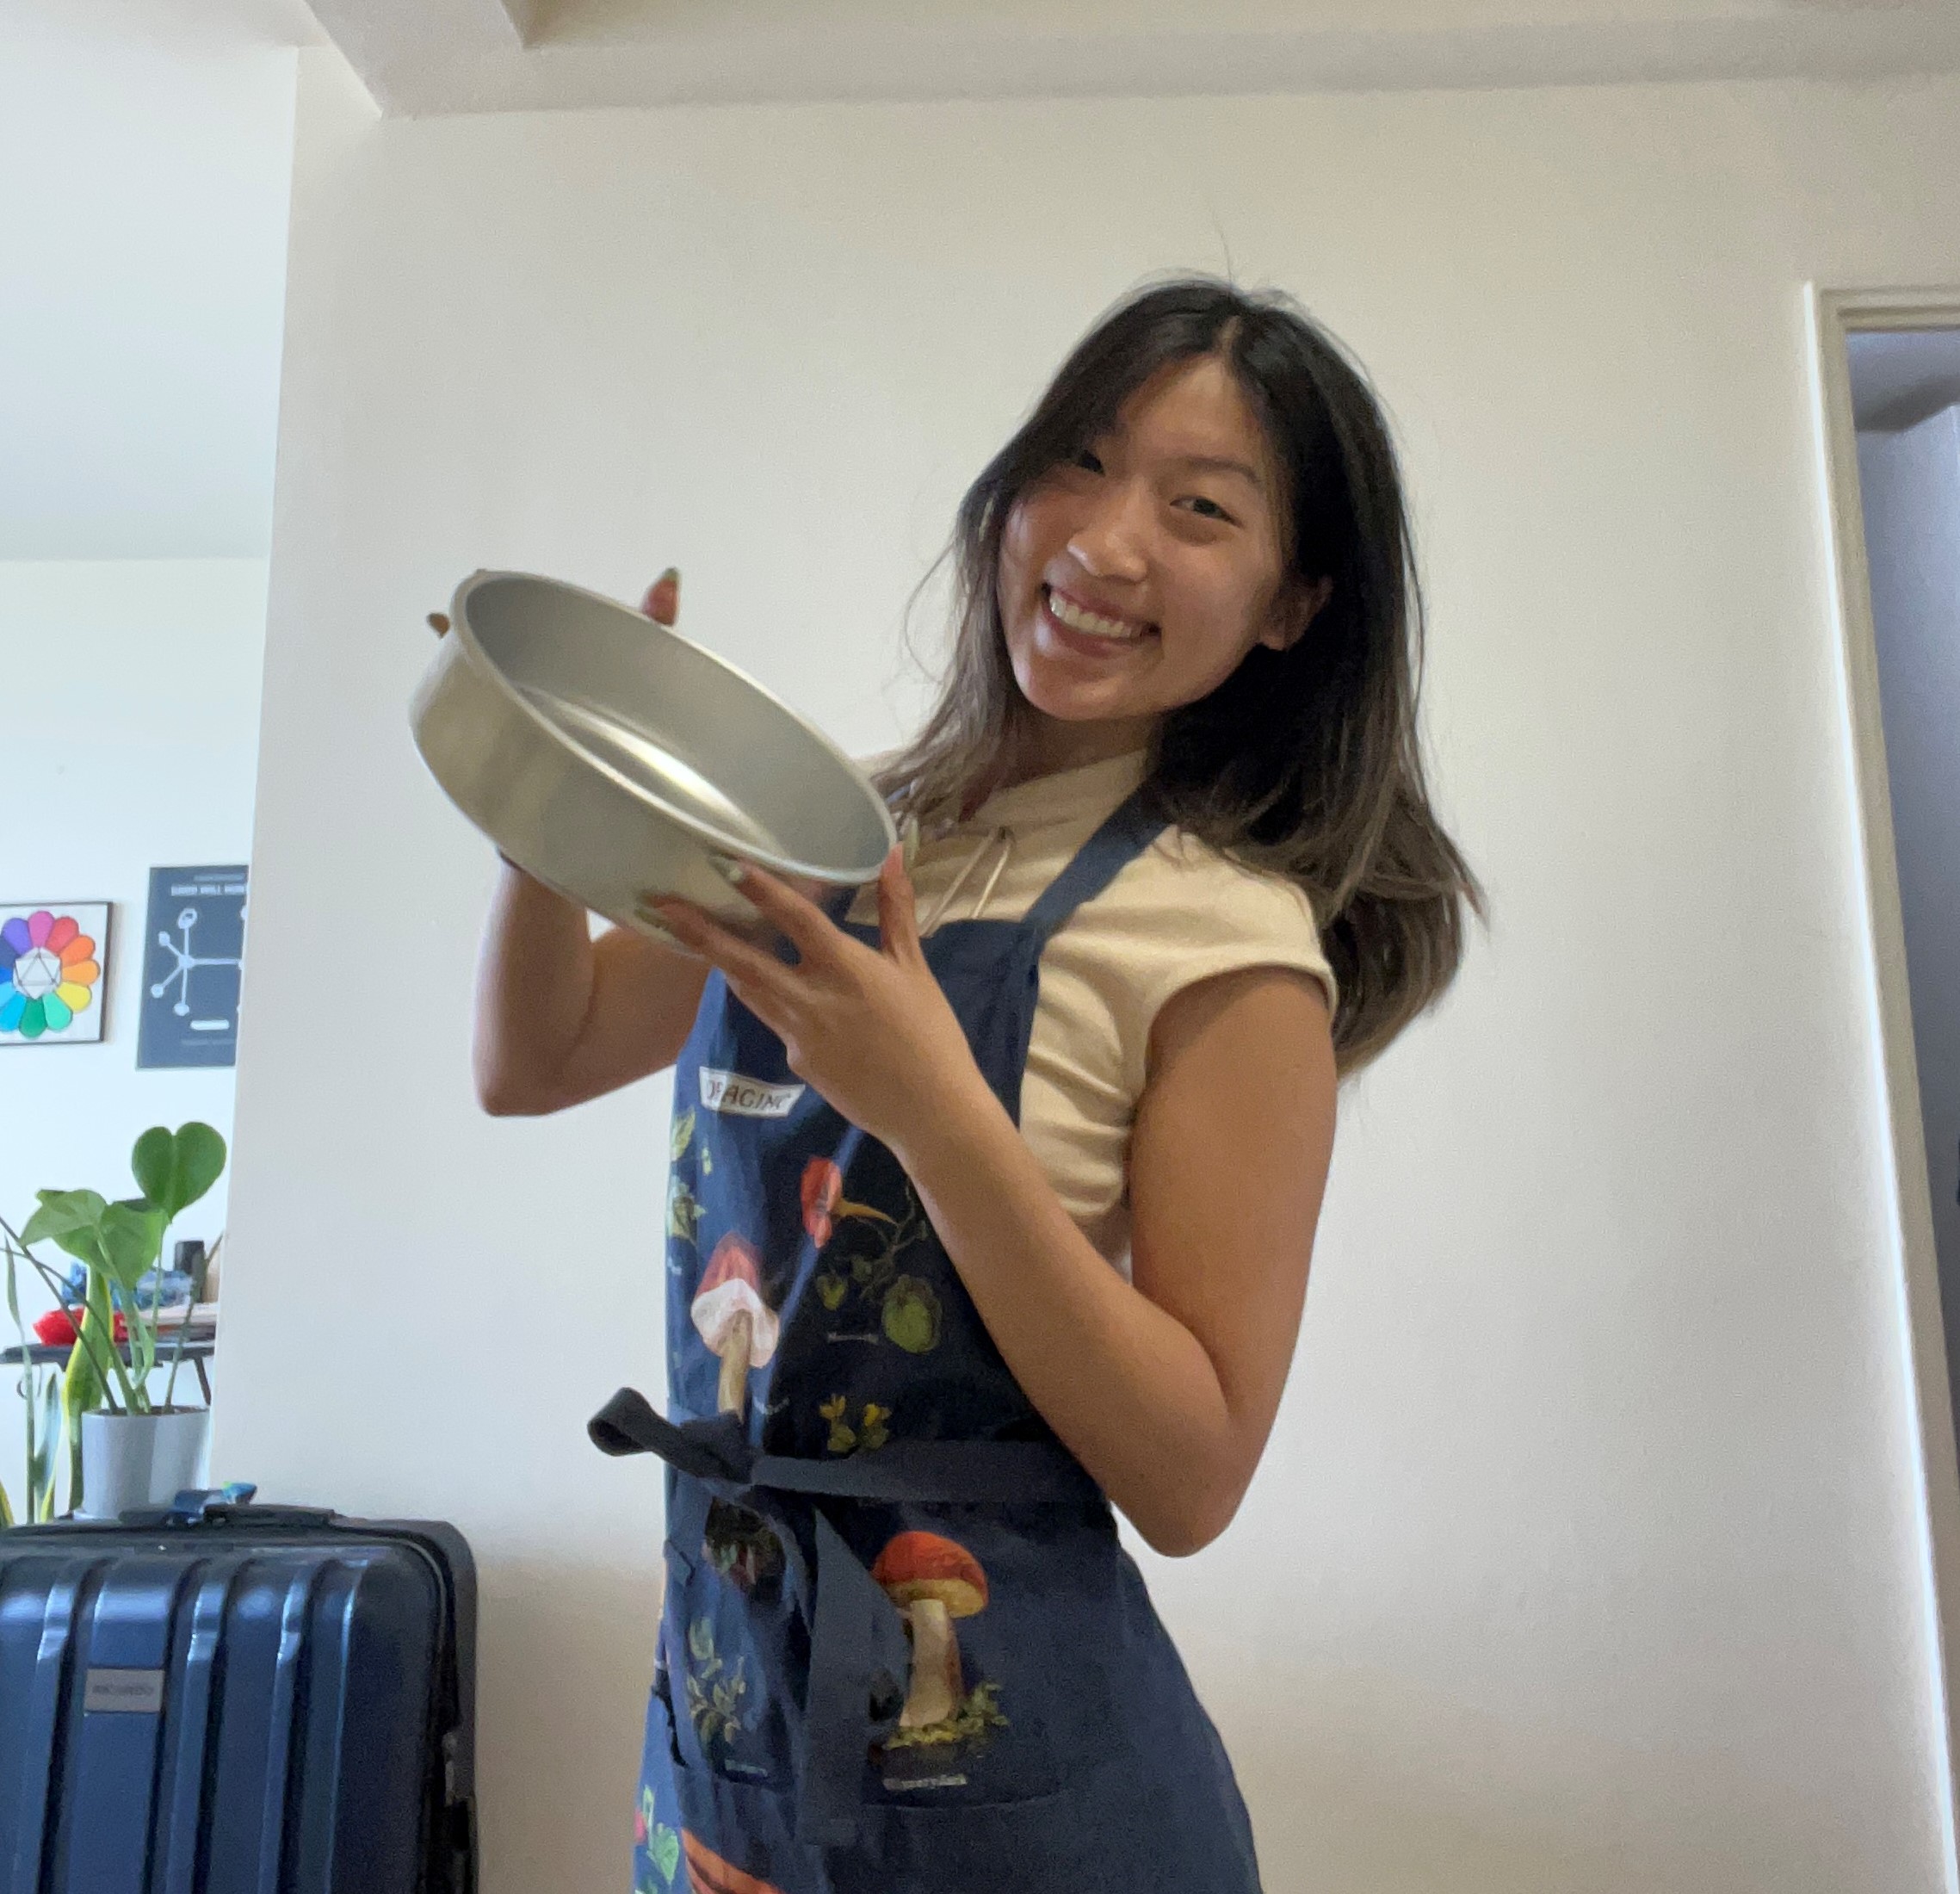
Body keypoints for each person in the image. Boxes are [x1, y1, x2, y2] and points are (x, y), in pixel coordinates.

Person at [473, 275, 1484, 1894]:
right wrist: (551, 786)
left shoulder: (1228, 943)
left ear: (1292, 603)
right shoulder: (830, 822)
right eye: (1077, 463)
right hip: (728, 1726)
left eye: (1199, 508)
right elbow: (534, 1061)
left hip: (1012, 1803)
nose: (1105, 542)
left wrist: (933, 1108)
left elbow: (1193, 1473)